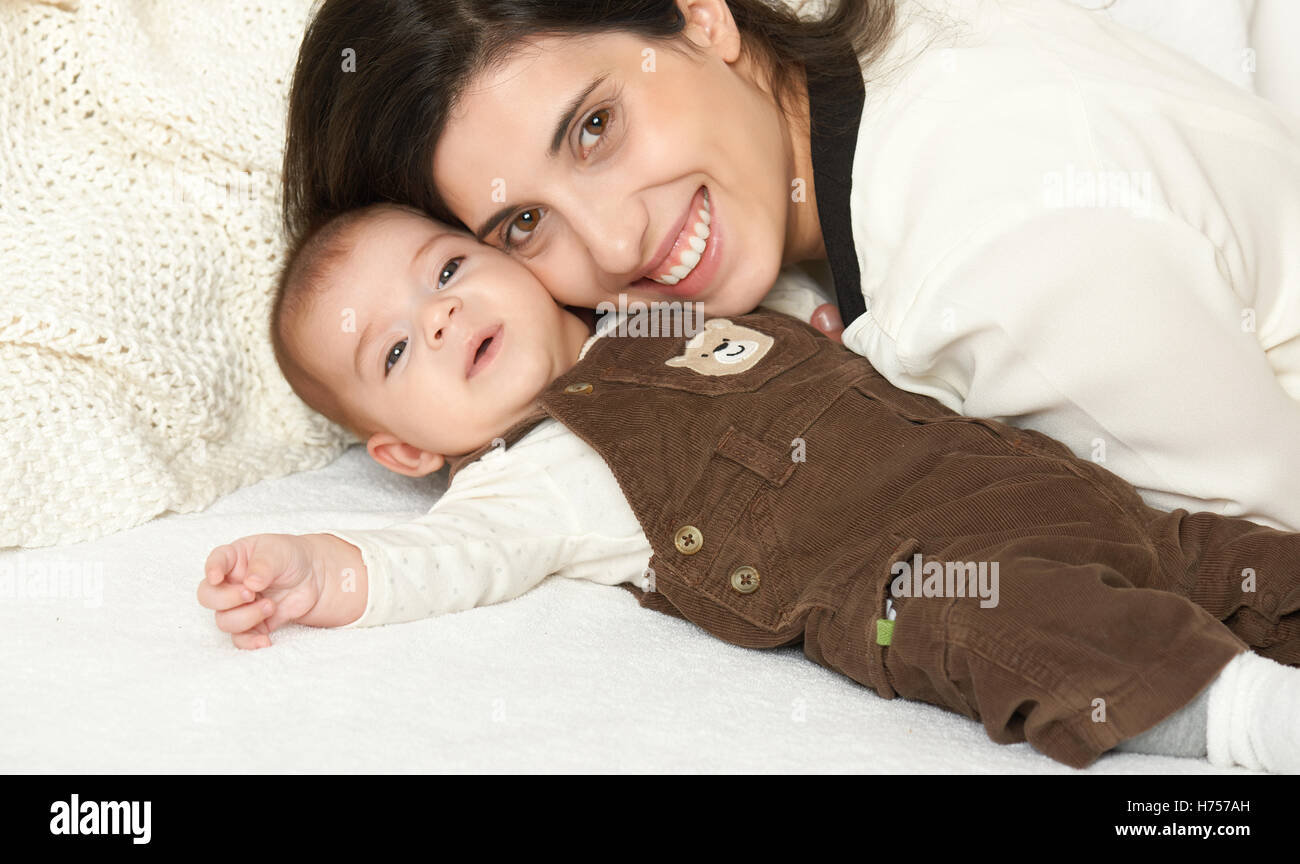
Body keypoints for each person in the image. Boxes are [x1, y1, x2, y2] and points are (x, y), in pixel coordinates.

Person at [281, 0, 1300, 534]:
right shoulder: (898, 32)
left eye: (595, 126)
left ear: (700, 13)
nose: (614, 238)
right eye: (521, 225)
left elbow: (1262, 549)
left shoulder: (997, 259)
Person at [203, 202, 1300, 772]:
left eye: (444, 270)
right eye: (394, 353)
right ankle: (1251, 716)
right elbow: (443, 561)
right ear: (402, 450)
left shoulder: (653, 312)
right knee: (1027, 629)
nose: (437, 315)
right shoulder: (525, 479)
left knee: (1222, 554)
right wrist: (319, 566)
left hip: (1021, 476)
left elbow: (774, 300)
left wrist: (807, 320)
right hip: (908, 577)